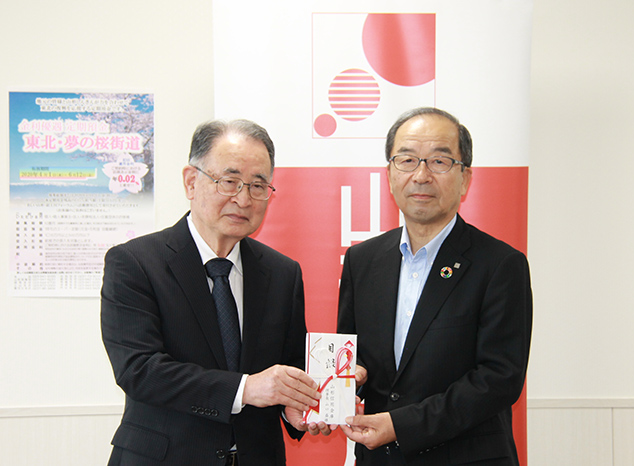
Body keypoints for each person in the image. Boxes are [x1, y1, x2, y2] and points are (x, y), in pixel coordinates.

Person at [101, 119, 329, 466]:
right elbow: (140, 370)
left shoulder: (283, 273)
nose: (243, 198)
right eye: (230, 181)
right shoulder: (135, 262)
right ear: (191, 181)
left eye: (257, 185)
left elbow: (289, 366)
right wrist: (245, 388)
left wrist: (294, 407)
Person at [338, 107, 533, 465]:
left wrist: (401, 424)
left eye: (439, 162)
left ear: (465, 179)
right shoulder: (362, 261)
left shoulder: (500, 264)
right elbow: (356, 352)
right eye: (407, 160)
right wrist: (352, 379)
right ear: (389, 174)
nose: (422, 175)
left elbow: (499, 379)